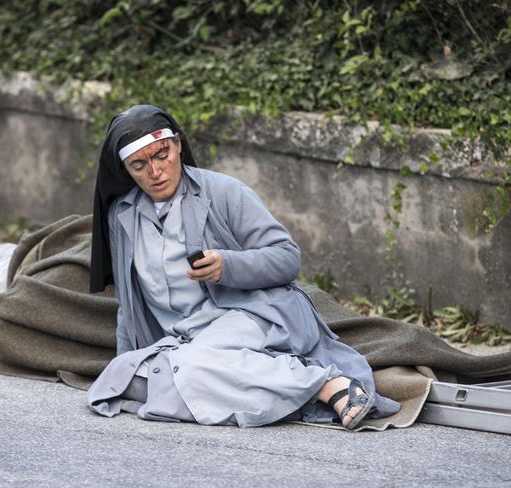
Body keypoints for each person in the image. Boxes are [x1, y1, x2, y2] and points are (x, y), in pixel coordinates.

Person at [87, 104, 400, 429]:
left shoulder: (225, 191)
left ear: (178, 144)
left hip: (249, 315)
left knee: (191, 370)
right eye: (139, 164)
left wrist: (227, 266)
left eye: (162, 155)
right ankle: (284, 391)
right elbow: (127, 303)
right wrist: (127, 359)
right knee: (129, 380)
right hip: (184, 341)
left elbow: (287, 257)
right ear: (125, 169)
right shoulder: (121, 216)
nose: (155, 171)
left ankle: (326, 384)